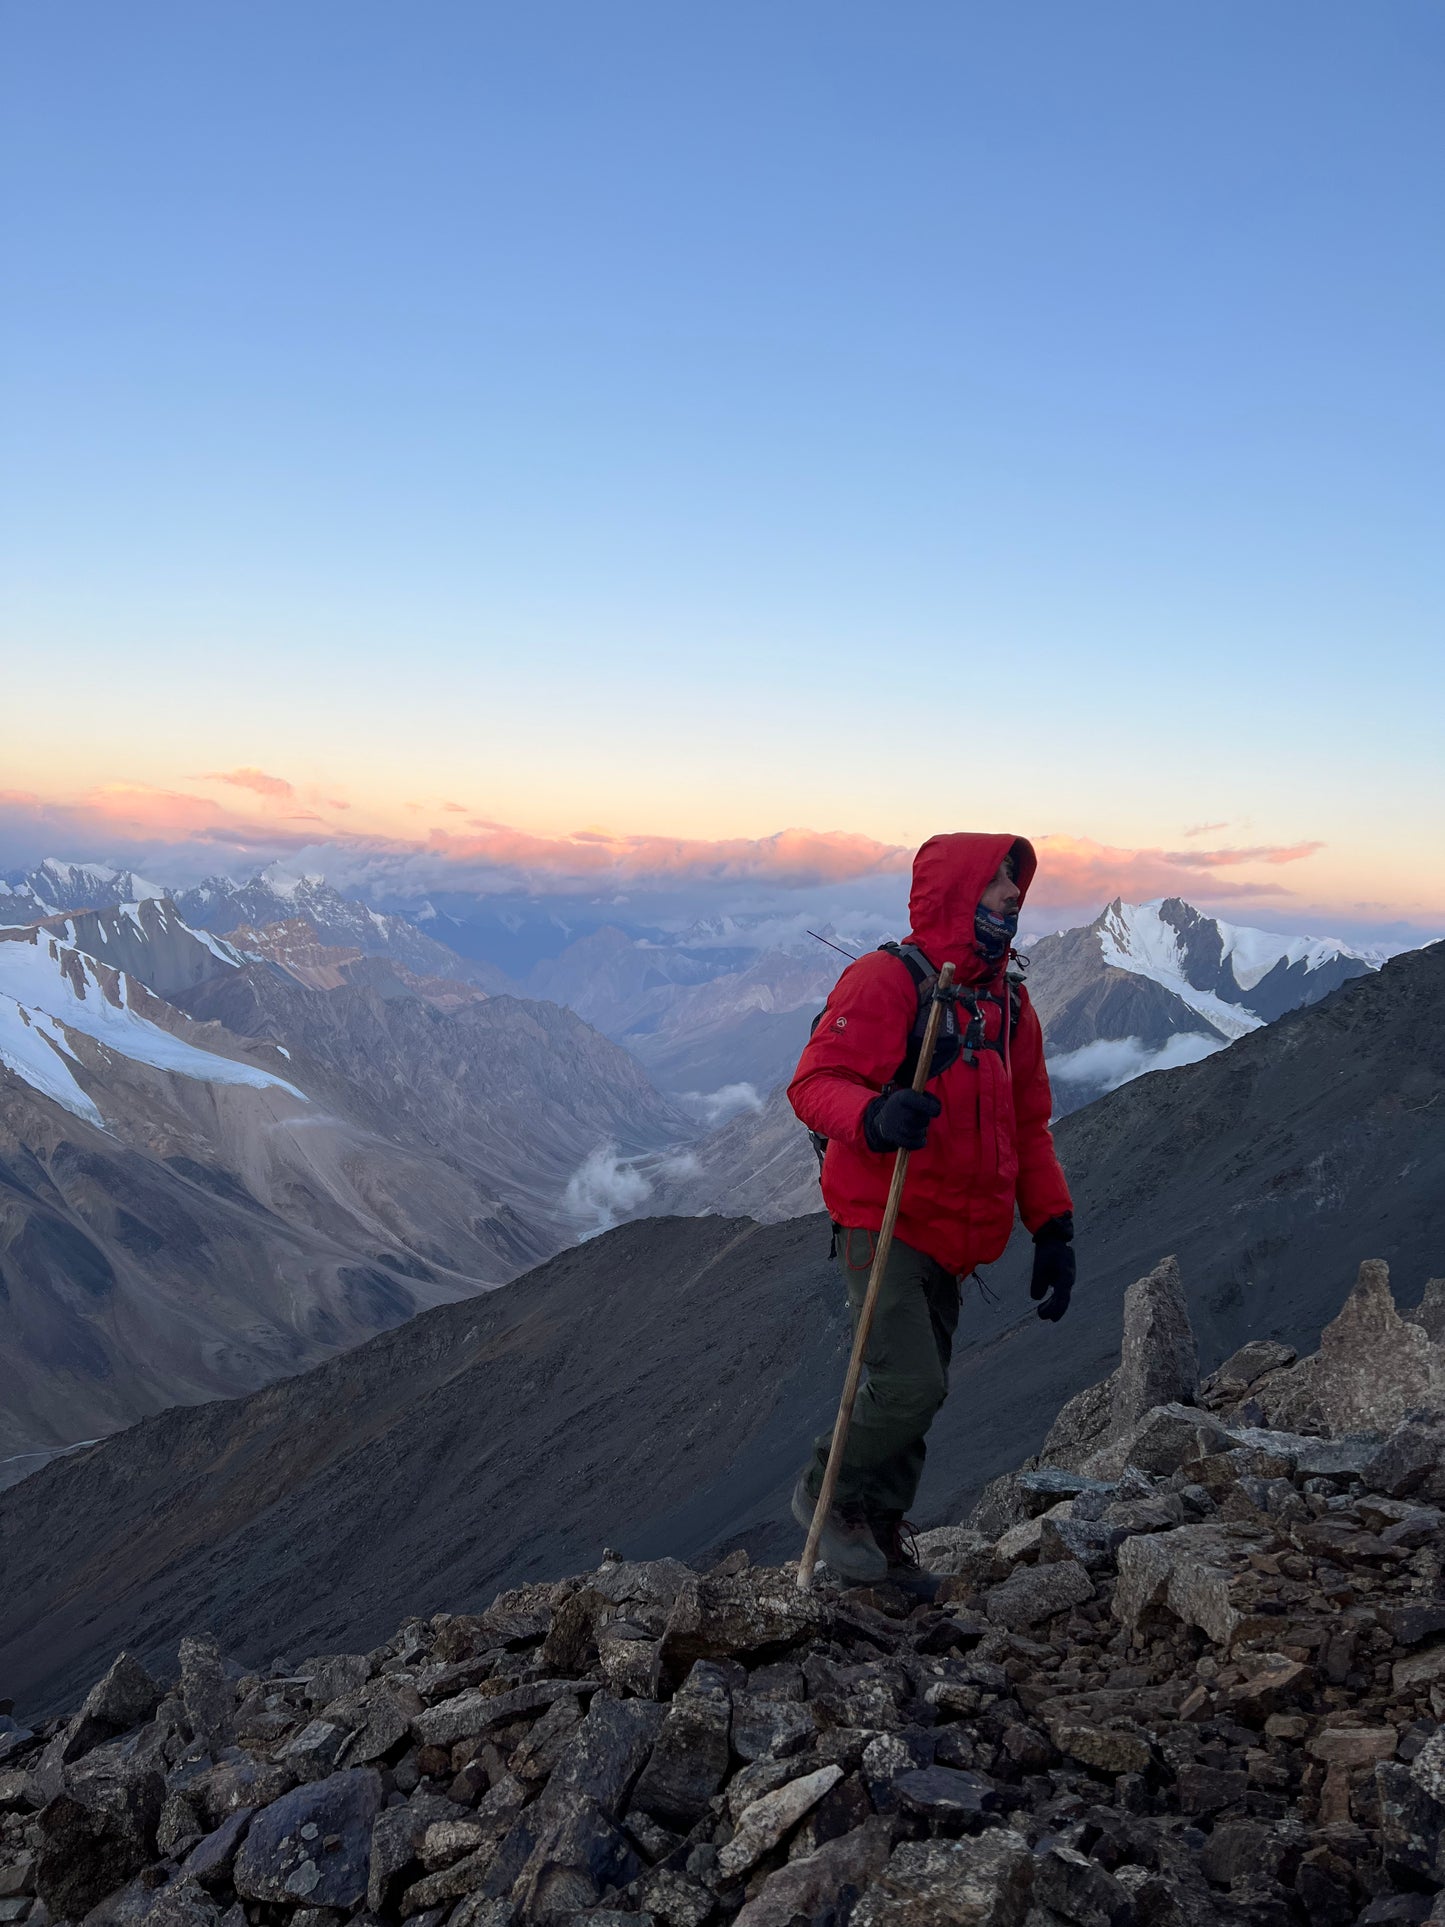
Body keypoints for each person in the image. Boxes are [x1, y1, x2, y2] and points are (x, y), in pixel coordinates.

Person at [787, 831, 1074, 1585]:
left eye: (1014, 886)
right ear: (957, 893)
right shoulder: (887, 981)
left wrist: (1052, 1226)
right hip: (882, 1220)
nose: (1013, 897)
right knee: (911, 1382)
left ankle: (876, 1541)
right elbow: (815, 1084)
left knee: (915, 1398)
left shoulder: (1007, 1001)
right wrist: (876, 1114)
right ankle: (825, 1493)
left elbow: (1028, 1125)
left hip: (954, 1235)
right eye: (996, 885)